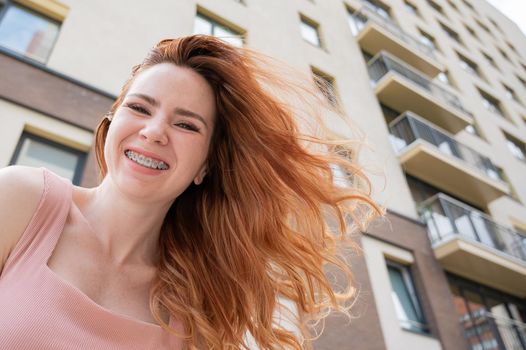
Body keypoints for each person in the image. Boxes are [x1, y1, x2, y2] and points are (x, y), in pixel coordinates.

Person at [0, 35, 381, 349]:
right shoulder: (21, 200)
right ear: (113, 120)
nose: (154, 131)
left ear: (205, 166)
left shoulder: (193, 315)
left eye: (186, 124)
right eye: (139, 107)